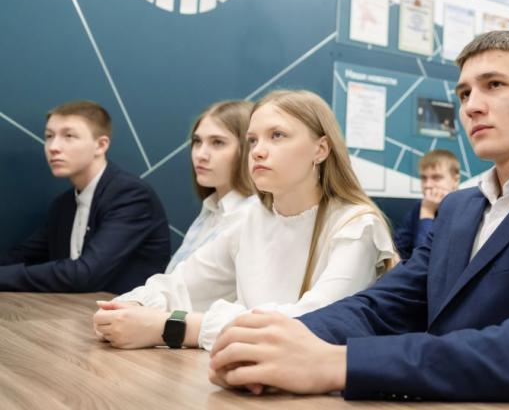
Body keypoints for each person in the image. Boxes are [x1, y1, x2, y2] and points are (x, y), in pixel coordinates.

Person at [208, 31, 509, 410]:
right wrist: (280, 342)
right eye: (464, 93)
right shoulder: (458, 208)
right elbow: (383, 306)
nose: (472, 106)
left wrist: (339, 363)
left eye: (494, 85)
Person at [92, 90, 397, 351]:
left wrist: (173, 327)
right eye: (252, 140)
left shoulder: (357, 226)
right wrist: (130, 307)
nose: (258, 151)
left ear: (320, 149)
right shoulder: (249, 217)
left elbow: (312, 324)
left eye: (277, 136)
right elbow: (183, 284)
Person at [0, 101, 169, 293]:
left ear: (101, 145)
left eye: (69, 136)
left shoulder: (130, 195)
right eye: (49, 136)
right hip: (71, 308)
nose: (53, 147)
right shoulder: (64, 204)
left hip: (126, 309)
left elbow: (85, 274)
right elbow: (21, 256)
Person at [165, 100, 262, 273]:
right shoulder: (212, 210)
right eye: (197, 141)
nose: (200, 155)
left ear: (249, 149)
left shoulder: (253, 216)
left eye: (217, 142)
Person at [393, 149, 460, 260]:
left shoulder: (464, 211)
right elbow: (399, 247)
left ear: (455, 180)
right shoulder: (420, 206)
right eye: (424, 178)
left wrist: (427, 213)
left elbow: (427, 259)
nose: (428, 185)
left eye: (436, 177)